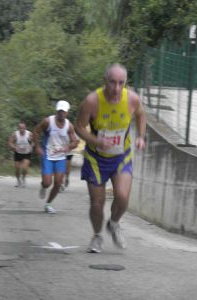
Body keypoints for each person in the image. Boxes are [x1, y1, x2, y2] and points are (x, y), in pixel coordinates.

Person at [75, 63, 146, 253]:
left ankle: (114, 223)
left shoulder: (132, 99)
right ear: (105, 81)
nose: (116, 88)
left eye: (121, 83)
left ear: (125, 83)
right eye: (112, 83)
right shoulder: (91, 101)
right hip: (96, 159)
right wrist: (95, 141)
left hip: (120, 156)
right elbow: (79, 127)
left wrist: (140, 136)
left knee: (122, 197)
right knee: (97, 203)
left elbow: (140, 115)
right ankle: (97, 236)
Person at [32, 100, 79, 214]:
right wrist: (37, 147)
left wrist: (69, 147)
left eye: (64, 111)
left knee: (58, 183)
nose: (61, 113)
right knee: (47, 183)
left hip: (61, 157)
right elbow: (36, 132)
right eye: (60, 111)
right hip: (48, 155)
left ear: (67, 112)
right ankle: (43, 186)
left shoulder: (69, 126)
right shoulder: (48, 121)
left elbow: (75, 141)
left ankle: (48, 204)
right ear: (57, 110)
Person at [8, 121, 33, 187]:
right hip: (18, 153)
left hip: (27, 153)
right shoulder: (15, 134)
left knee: (25, 168)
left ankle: (23, 179)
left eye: (23, 128)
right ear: (18, 128)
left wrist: (31, 146)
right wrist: (14, 147)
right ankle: (18, 181)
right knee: (17, 169)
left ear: (25, 128)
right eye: (20, 128)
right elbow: (10, 143)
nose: (22, 130)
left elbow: (34, 142)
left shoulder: (29, 134)